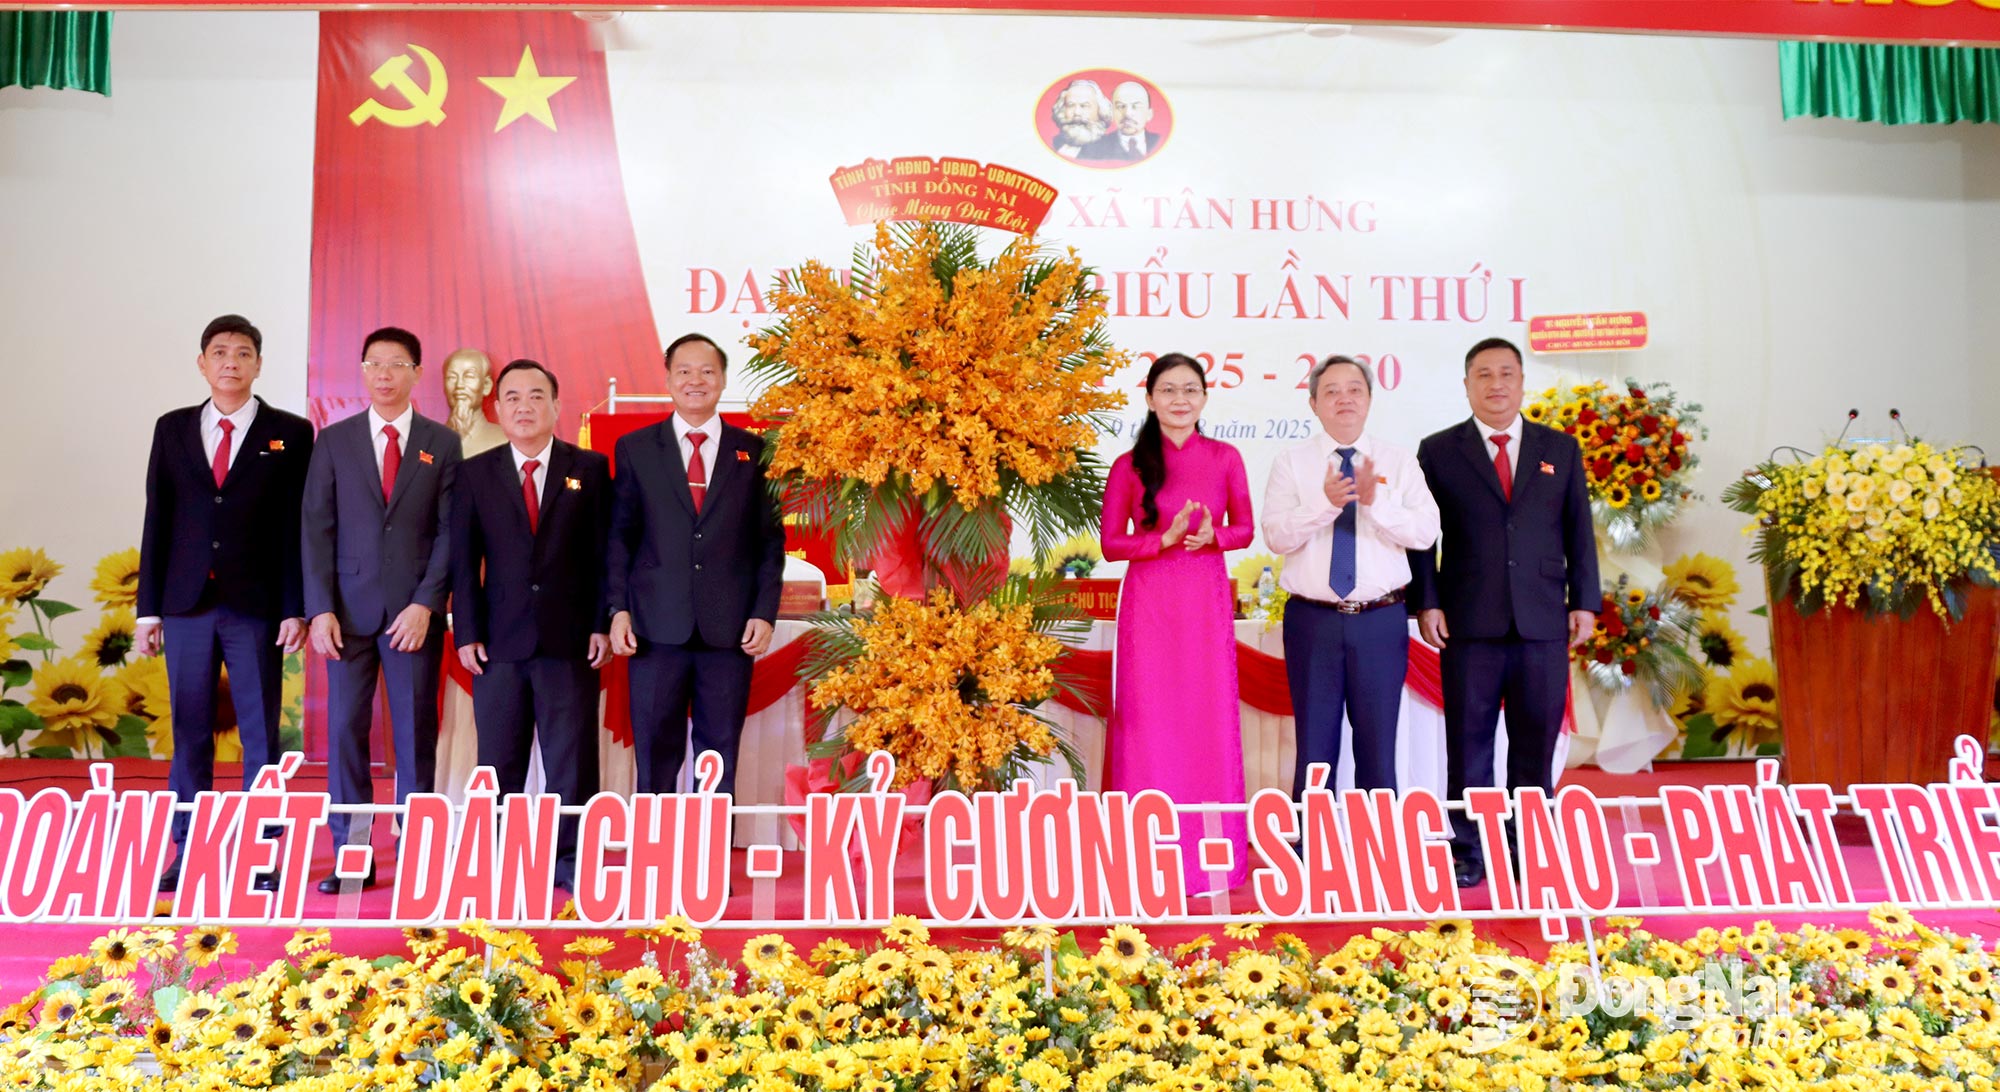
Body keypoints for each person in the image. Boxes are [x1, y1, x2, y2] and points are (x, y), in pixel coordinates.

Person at [1410, 336, 1598, 889]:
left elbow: (1578, 530)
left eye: (1506, 374)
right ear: (1467, 384)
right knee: (1469, 742)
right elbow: (1423, 538)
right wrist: (1427, 601)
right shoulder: (1438, 451)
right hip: (1467, 619)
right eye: (1484, 375)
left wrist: (1585, 602)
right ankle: (1469, 849)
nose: (1496, 384)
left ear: (1521, 382)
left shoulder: (1559, 448)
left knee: (1535, 740)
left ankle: (1527, 845)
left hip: (1543, 619)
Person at [136, 314, 315, 891]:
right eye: (220, 352)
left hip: (257, 606)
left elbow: (296, 528)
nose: (230, 362)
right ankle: (187, 849)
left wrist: (295, 607)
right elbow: (158, 518)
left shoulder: (291, 432)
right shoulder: (173, 429)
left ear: (259, 364)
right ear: (202, 363)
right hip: (186, 604)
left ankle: (263, 854)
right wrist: (148, 609)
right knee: (190, 730)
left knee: (261, 735)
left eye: (242, 353)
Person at [302, 325, 461, 892]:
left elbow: (450, 532)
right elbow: (315, 528)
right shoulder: (334, 440)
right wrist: (319, 608)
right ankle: (353, 854)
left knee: (416, 734)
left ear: (417, 372)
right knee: (346, 732)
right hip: (346, 615)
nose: (385, 374)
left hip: (413, 617)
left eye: (397, 364)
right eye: (375, 364)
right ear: (363, 371)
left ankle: (417, 855)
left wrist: (426, 604)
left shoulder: (441, 443)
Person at [450, 359, 611, 892]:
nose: (525, 407)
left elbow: (603, 555)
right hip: (498, 642)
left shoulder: (589, 468)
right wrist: (468, 632)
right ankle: (504, 859)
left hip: (571, 640)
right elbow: (463, 560)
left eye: (537, 396)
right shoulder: (475, 472)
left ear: (557, 406)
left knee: (572, 761)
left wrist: (601, 622)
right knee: (500, 761)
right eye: (513, 397)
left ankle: (570, 860)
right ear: (498, 408)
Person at [1099, 353, 1254, 896]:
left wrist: (1216, 536)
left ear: (1205, 397)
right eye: (1168, 390)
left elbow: (1245, 529)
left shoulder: (1226, 458)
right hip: (1149, 607)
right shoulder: (1129, 465)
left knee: (1206, 717)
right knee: (1149, 721)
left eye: (1190, 389)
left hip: (1204, 604)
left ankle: (1212, 860)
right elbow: (1111, 544)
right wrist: (1159, 540)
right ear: (1149, 399)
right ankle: (1144, 857)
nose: (1180, 399)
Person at [607, 333, 785, 795]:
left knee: (719, 756)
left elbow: (770, 543)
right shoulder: (636, 448)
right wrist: (617, 609)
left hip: (729, 632)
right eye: (684, 371)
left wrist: (764, 612)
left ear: (722, 379)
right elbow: (620, 537)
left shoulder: (754, 452)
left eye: (707, 371)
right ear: (668, 380)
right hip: (653, 630)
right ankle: (655, 837)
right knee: (655, 754)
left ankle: (711, 840)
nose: (695, 380)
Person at [1262, 355, 1438, 797]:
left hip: (1380, 620)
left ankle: (1377, 836)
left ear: (1370, 399)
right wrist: (1325, 504)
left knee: (1378, 746)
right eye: (1332, 391)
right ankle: (1310, 837)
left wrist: (1376, 503)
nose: (1345, 399)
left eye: (1354, 389)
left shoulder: (1399, 461)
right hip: (1312, 620)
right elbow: (1277, 536)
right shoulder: (1291, 462)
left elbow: (1425, 532)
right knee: (1314, 748)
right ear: (1313, 403)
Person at [440, 348, 508, 457]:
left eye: (469, 376)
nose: (459, 385)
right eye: (451, 377)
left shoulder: (506, 440)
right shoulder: (428, 441)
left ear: (486, 385)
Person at [1085, 81, 1164, 161]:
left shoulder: (1161, 142)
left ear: (1149, 114)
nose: (1127, 114)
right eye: (1120, 106)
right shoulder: (1094, 148)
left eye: (1135, 107)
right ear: (1112, 112)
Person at [1048, 79, 1111, 159]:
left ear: (1100, 111)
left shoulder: (1110, 148)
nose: (1077, 113)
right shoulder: (1054, 143)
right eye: (1070, 105)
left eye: (1084, 106)